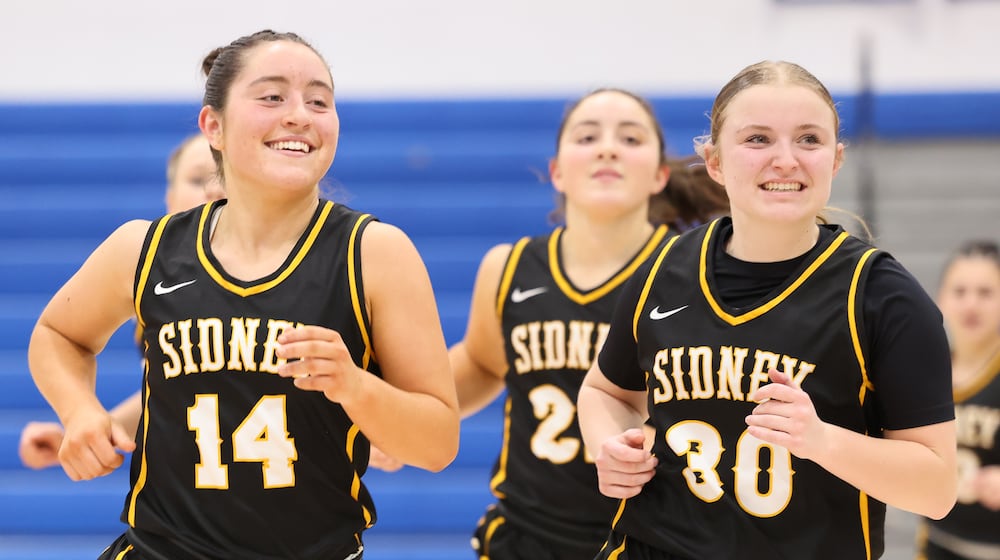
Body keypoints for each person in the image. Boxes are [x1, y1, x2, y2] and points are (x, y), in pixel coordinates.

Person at [27, 29, 459, 560]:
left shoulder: (375, 252)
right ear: (214, 125)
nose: (300, 114)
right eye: (272, 96)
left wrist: (355, 387)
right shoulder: (145, 247)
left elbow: (439, 444)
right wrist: (80, 412)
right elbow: (58, 334)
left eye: (319, 100)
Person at [577, 60, 957, 560]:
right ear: (714, 161)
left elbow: (936, 489)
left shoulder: (882, 296)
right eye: (758, 139)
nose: (785, 160)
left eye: (808, 140)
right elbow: (605, 390)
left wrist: (821, 440)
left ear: (836, 159)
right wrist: (612, 444)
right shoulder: (661, 269)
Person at [382, 88, 729, 559]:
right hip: (527, 537)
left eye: (630, 138)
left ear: (659, 175)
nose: (607, 147)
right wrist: (400, 420)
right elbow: (483, 365)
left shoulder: (690, 277)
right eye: (588, 136)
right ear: (557, 171)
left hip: (647, 535)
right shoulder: (509, 268)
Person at [18, 133, 224, 470]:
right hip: (194, 488)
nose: (213, 190)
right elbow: (170, 396)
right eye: (198, 178)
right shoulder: (153, 273)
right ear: (170, 198)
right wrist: (90, 426)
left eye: (225, 176)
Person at [918, 240, 1000, 560]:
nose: (971, 305)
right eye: (960, 291)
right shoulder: (921, 372)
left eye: (985, 293)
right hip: (940, 544)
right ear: (940, 300)